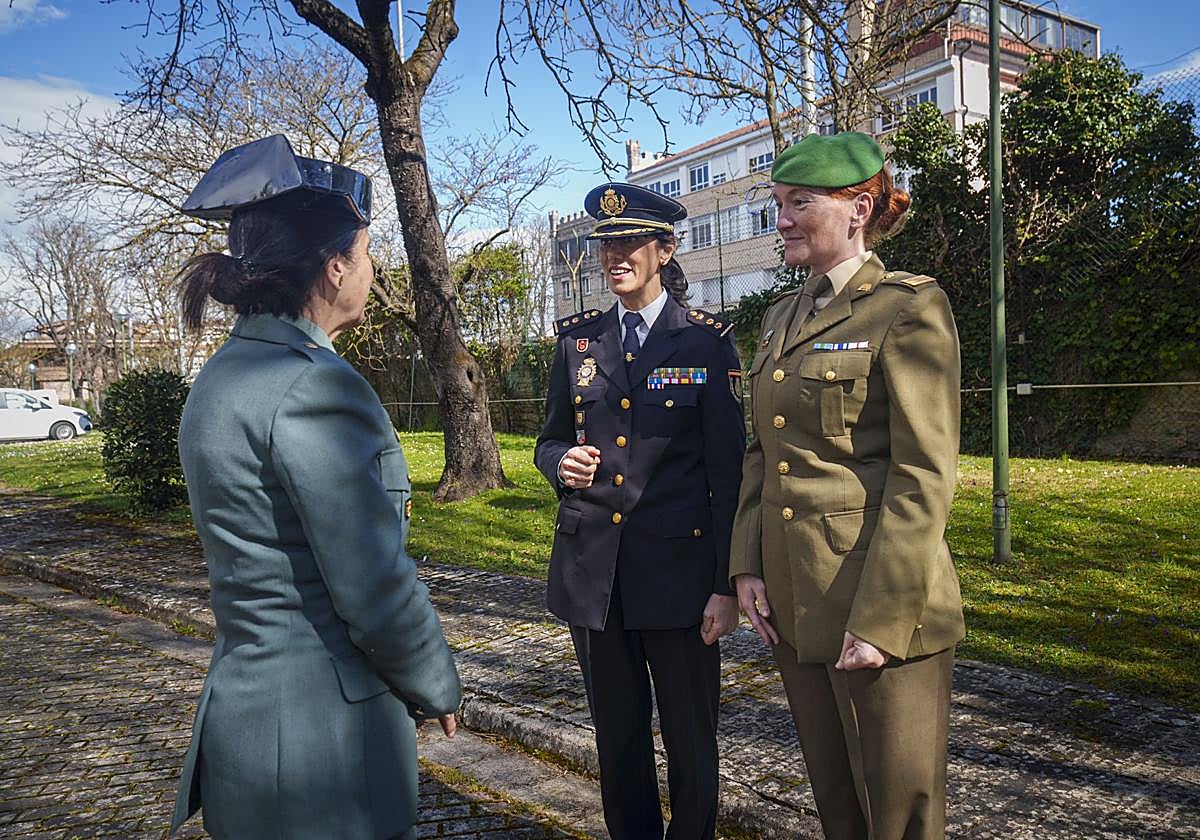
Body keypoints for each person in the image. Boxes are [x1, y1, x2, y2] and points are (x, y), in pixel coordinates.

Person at [169, 135, 462, 840]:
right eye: (365, 255)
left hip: (248, 730)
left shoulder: (221, 375)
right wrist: (435, 682)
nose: (371, 270)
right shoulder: (314, 387)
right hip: (320, 746)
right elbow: (371, 584)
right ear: (334, 269)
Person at [729, 132, 965, 840]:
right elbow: (760, 455)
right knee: (836, 804)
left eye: (801, 203)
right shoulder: (779, 317)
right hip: (797, 602)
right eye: (777, 204)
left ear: (859, 207)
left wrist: (881, 619)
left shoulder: (906, 307)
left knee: (898, 814)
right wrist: (747, 564)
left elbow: (924, 474)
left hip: (877, 601)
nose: (783, 221)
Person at [534, 182, 746, 839]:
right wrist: (558, 464)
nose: (614, 256)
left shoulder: (706, 345)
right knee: (618, 740)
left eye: (628, 243)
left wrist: (724, 586)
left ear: (664, 249)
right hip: (594, 576)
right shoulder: (577, 345)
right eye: (606, 245)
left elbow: (728, 475)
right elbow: (548, 438)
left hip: (679, 580)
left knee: (690, 740)